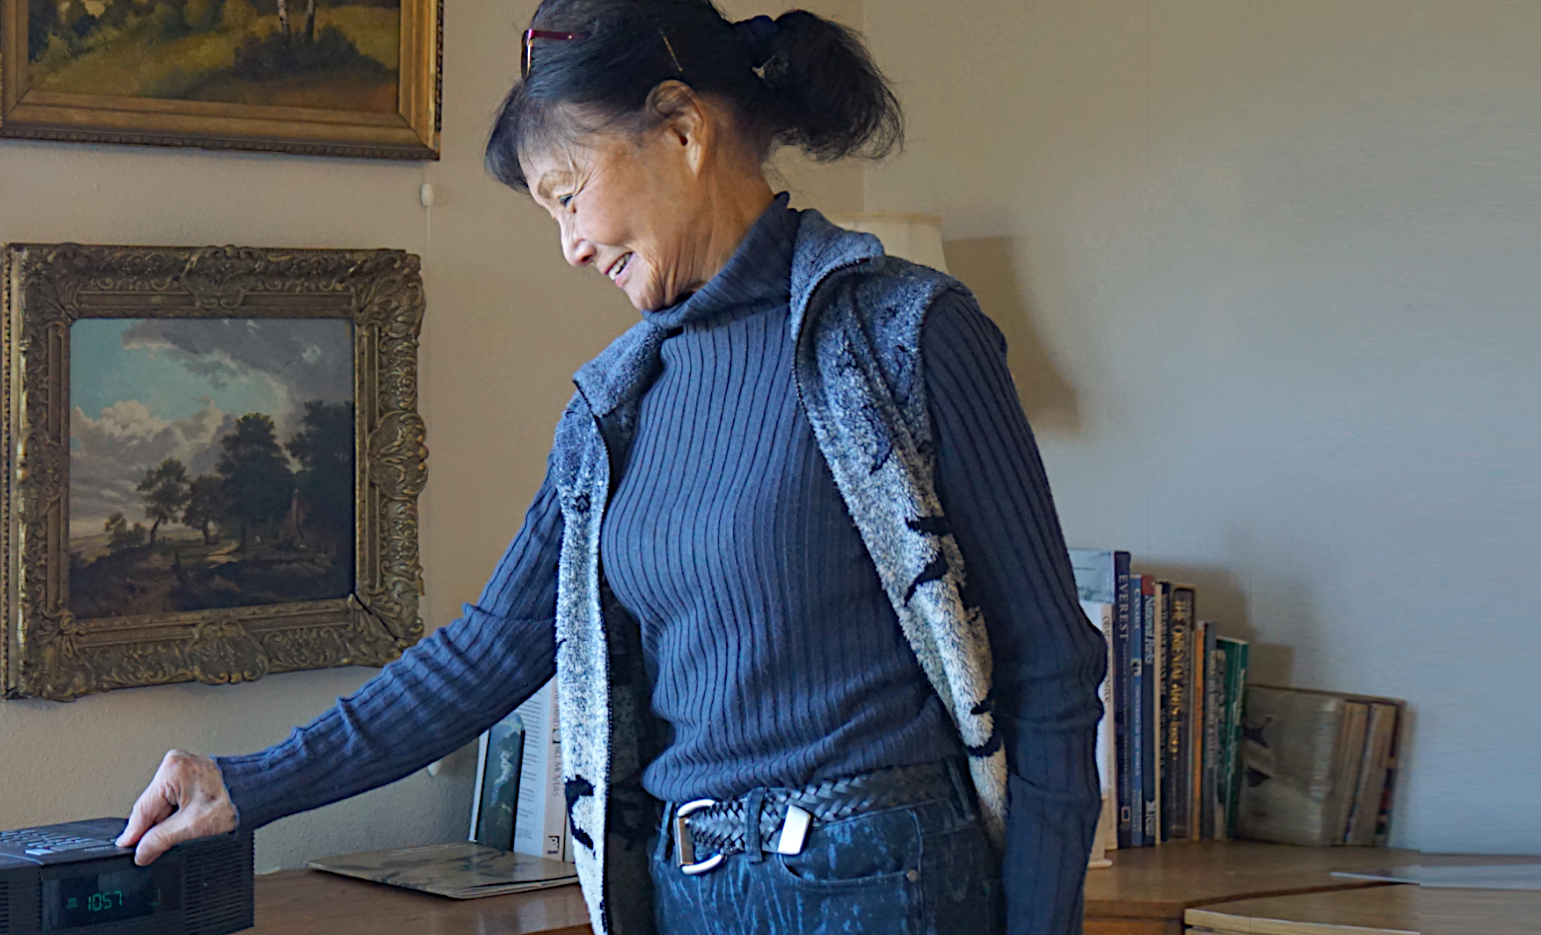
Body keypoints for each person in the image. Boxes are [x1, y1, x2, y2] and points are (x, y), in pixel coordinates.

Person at [113, 1, 1106, 933]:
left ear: (681, 127)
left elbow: (1051, 668)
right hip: (678, 888)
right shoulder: (611, 406)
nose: (570, 247)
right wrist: (246, 783)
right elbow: (490, 648)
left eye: (569, 193)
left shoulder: (905, 333)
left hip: (879, 884)